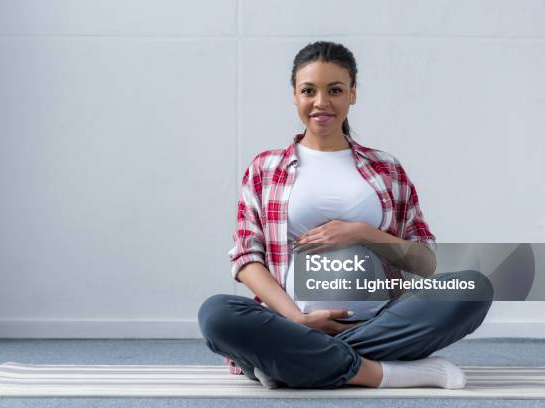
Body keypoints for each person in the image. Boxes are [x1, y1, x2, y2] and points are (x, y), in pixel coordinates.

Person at [198, 41, 493, 390]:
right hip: (289, 322)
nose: (321, 102)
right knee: (216, 314)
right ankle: (382, 372)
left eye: (335, 90)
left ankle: (293, 363)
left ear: (352, 94)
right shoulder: (266, 168)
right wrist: (298, 319)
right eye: (309, 90)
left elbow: (425, 262)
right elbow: (247, 257)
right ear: (294, 95)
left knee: (473, 288)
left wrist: (361, 233)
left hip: (380, 321)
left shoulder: (387, 169)